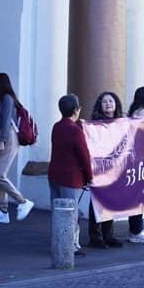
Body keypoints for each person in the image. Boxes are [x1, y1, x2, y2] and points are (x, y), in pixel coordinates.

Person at [0, 73, 34, 224]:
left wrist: (3, 140)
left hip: (9, 136)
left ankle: (22, 202)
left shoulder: (7, 98)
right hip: (1, 134)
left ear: (0, 83)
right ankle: (2, 210)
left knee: (0, 175)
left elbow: (6, 121)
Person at [48, 94, 92, 257]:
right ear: (75, 110)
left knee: (57, 211)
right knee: (70, 213)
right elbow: (84, 155)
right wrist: (89, 177)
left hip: (54, 174)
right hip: (71, 177)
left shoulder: (56, 126)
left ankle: (57, 242)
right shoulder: (75, 130)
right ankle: (69, 246)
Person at [87, 92, 124, 249]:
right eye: (104, 102)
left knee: (111, 201)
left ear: (116, 104)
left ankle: (108, 234)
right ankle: (95, 236)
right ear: (100, 106)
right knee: (97, 201)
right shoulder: (94, 124)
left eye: (111, 101)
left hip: (116, 167)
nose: (108, 104)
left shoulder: (123, 122)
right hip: (100, 166)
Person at [126, 86, 144, 244]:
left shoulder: (133, 112)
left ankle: (136, 229)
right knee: (139, 196)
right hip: (141, 159)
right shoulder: (143, 113)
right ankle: (136, 231)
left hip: (133, 158)